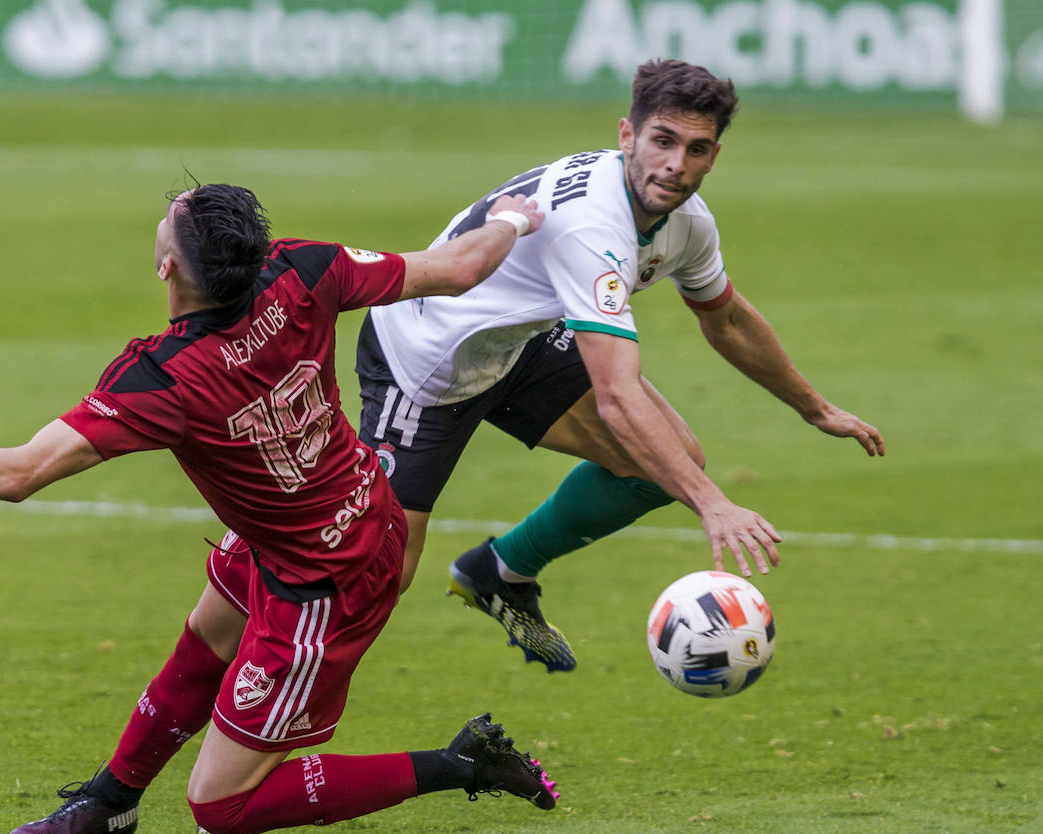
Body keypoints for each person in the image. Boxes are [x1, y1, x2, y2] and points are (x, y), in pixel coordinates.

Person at [0, 183, 559, 834]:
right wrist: (514, 219)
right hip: (314, 519)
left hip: (331, 577)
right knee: (204, 642)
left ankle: (463, 763)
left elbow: (18, 473)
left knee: (222, 809)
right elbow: (457, 269)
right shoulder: (302, 270)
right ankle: (111, 803)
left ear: (167, 263)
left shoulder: (167, 379)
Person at [355, 59, 884, 673]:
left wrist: (813, 408)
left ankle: (497, 573)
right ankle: (255, 670)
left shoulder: (686, 225)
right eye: (662, 141)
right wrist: (713, 504)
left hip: (515, 342)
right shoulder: (593, 226)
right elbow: (617, 398)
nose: (675, 165)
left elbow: (728, 320)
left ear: (714, 157)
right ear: (627, 136)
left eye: (697, 148)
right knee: (378, 578)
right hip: (427, 361)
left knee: (665, 463)